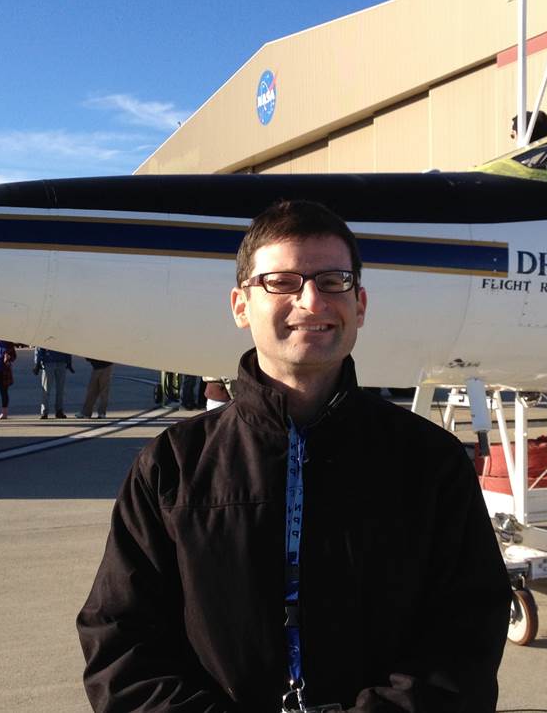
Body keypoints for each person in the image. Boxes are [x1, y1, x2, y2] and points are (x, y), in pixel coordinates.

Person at [78, 200, 509, 713]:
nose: (311, 300)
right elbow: (120, 641)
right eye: (281, 282)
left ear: (361, 304)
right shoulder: (172, 466)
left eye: (333, 281)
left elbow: (466, 633)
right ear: (241, 306)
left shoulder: (431, 461)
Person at [34, 348, 75, 418]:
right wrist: (37, 362)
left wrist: (69, 362)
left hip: (61, 362)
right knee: (46, 389)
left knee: (60, 390)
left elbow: (67, 346)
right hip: (49, 361)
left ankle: (59, 410)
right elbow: (39, 346)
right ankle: (44, 411)